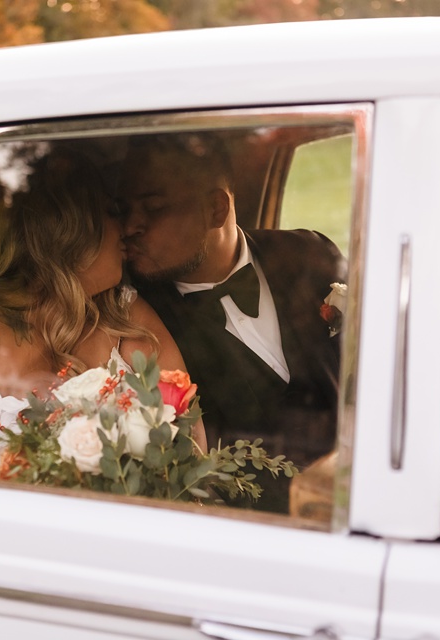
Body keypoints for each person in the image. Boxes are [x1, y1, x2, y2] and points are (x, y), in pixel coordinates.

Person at [0, 148, 203, 478]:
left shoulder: (123, 312)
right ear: (70, 223)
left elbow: (192, 449)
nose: (126, 228)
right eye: (113, 211)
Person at [118, 133, 347, 513]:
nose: (130, 227)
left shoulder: (309, 252)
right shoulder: (139, 322)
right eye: (122, 209)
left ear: (216, 209)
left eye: (153, 207)